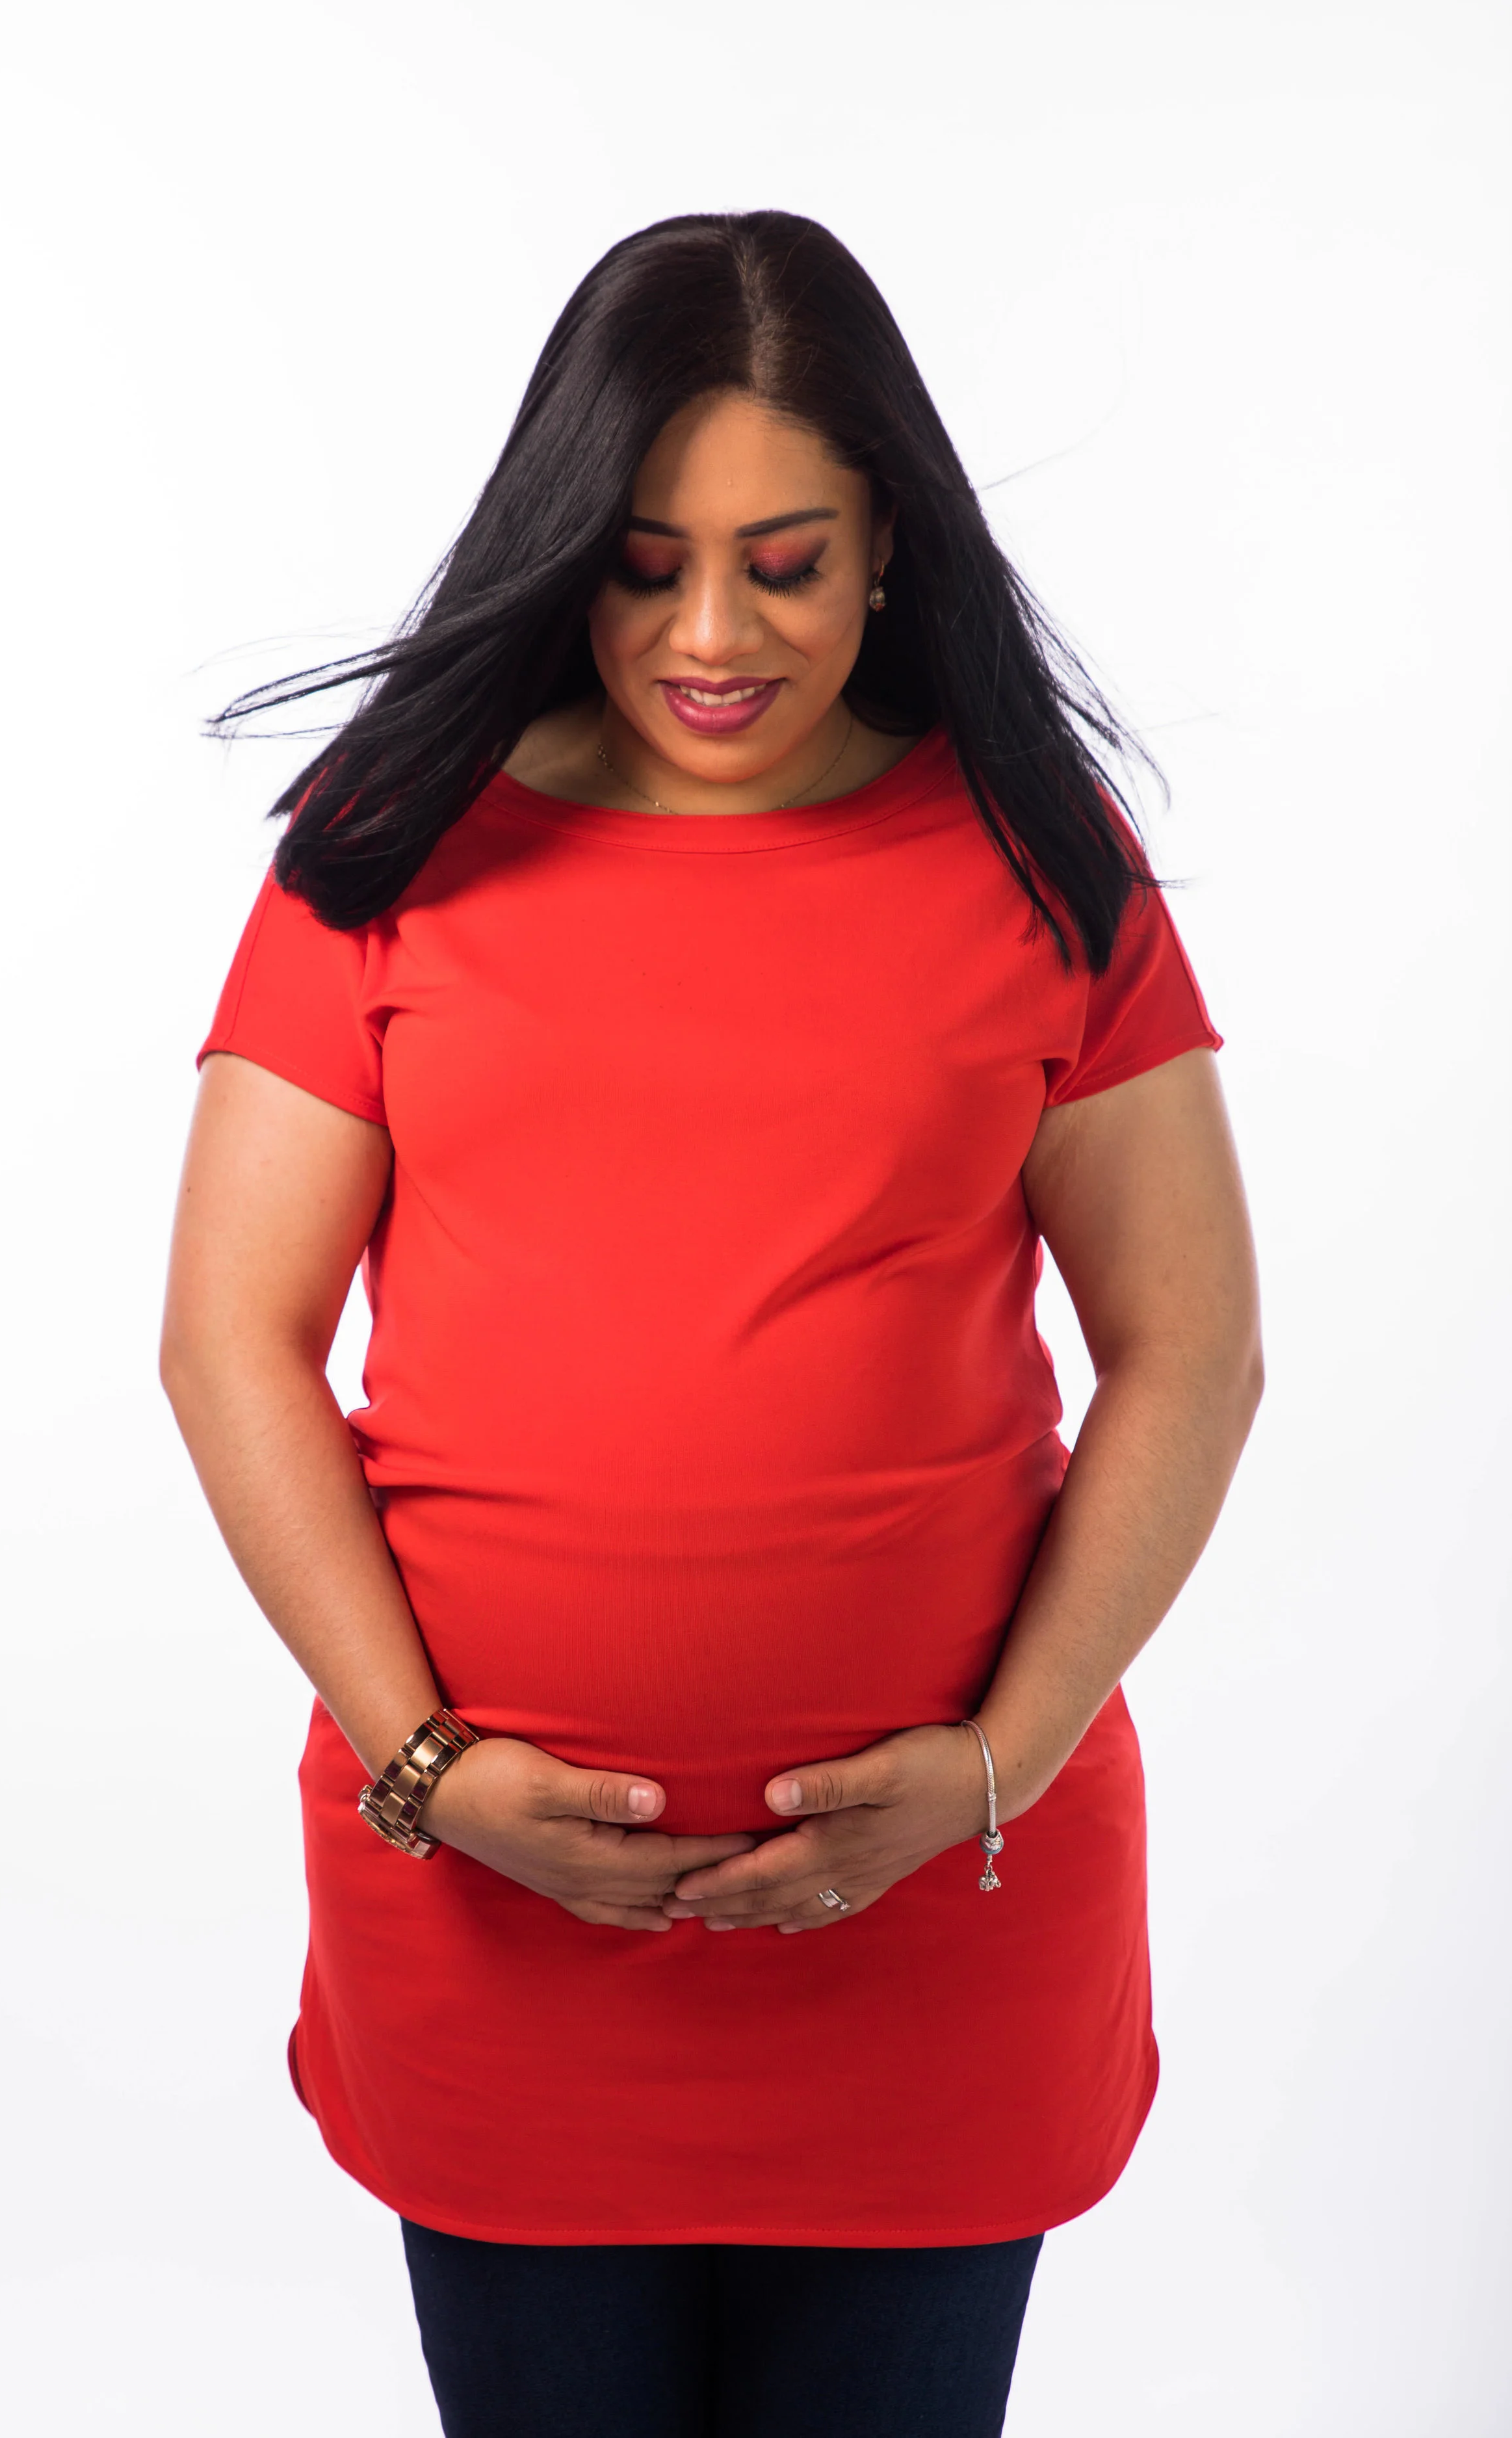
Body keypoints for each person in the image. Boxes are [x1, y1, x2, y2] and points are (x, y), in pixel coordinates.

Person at [161, 209, 1262, 2437]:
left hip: (939, 1934)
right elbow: (229, 1341)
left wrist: (991, 1767)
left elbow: (1190, 1350)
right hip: (488, 1935)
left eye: (785, 562)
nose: (708, 634)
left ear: (891, 547)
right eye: (645, 561)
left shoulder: (1036, 857)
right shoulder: (390, 840)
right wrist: (426, 1770)